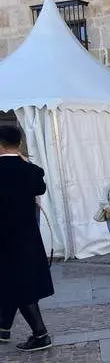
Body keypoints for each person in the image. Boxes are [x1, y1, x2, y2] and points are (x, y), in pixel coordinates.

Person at [0, 124, 53, 351]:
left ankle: (40, 334)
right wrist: (25, 162)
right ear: (19, 144)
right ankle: (4, 327)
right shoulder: (31, 170)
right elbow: (39, 188)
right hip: (27, 235)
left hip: (4, 238)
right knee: (16, 282)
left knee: (16, 284)